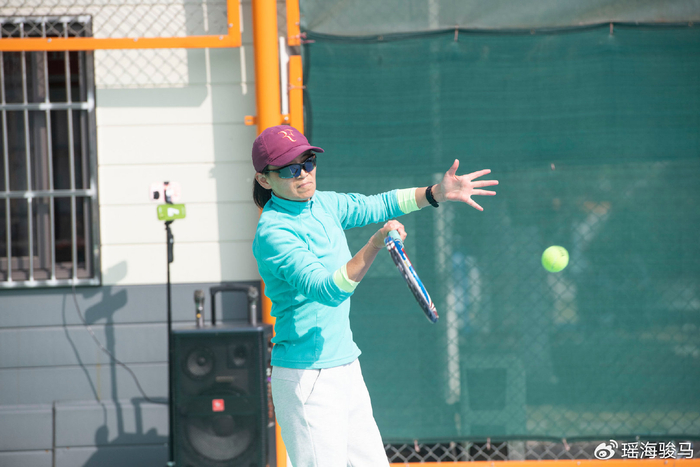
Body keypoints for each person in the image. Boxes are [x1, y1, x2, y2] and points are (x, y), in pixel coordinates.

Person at [251, 125, 498, 467]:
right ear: (264, 179)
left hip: (346, 366)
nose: (304, 173)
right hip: (306, 379)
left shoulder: (325, 204)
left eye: (308, 162)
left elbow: (378, 204)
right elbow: (328, 291)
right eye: (290, 169)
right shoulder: (274, 233)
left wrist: (436, 193)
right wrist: (375, 244)